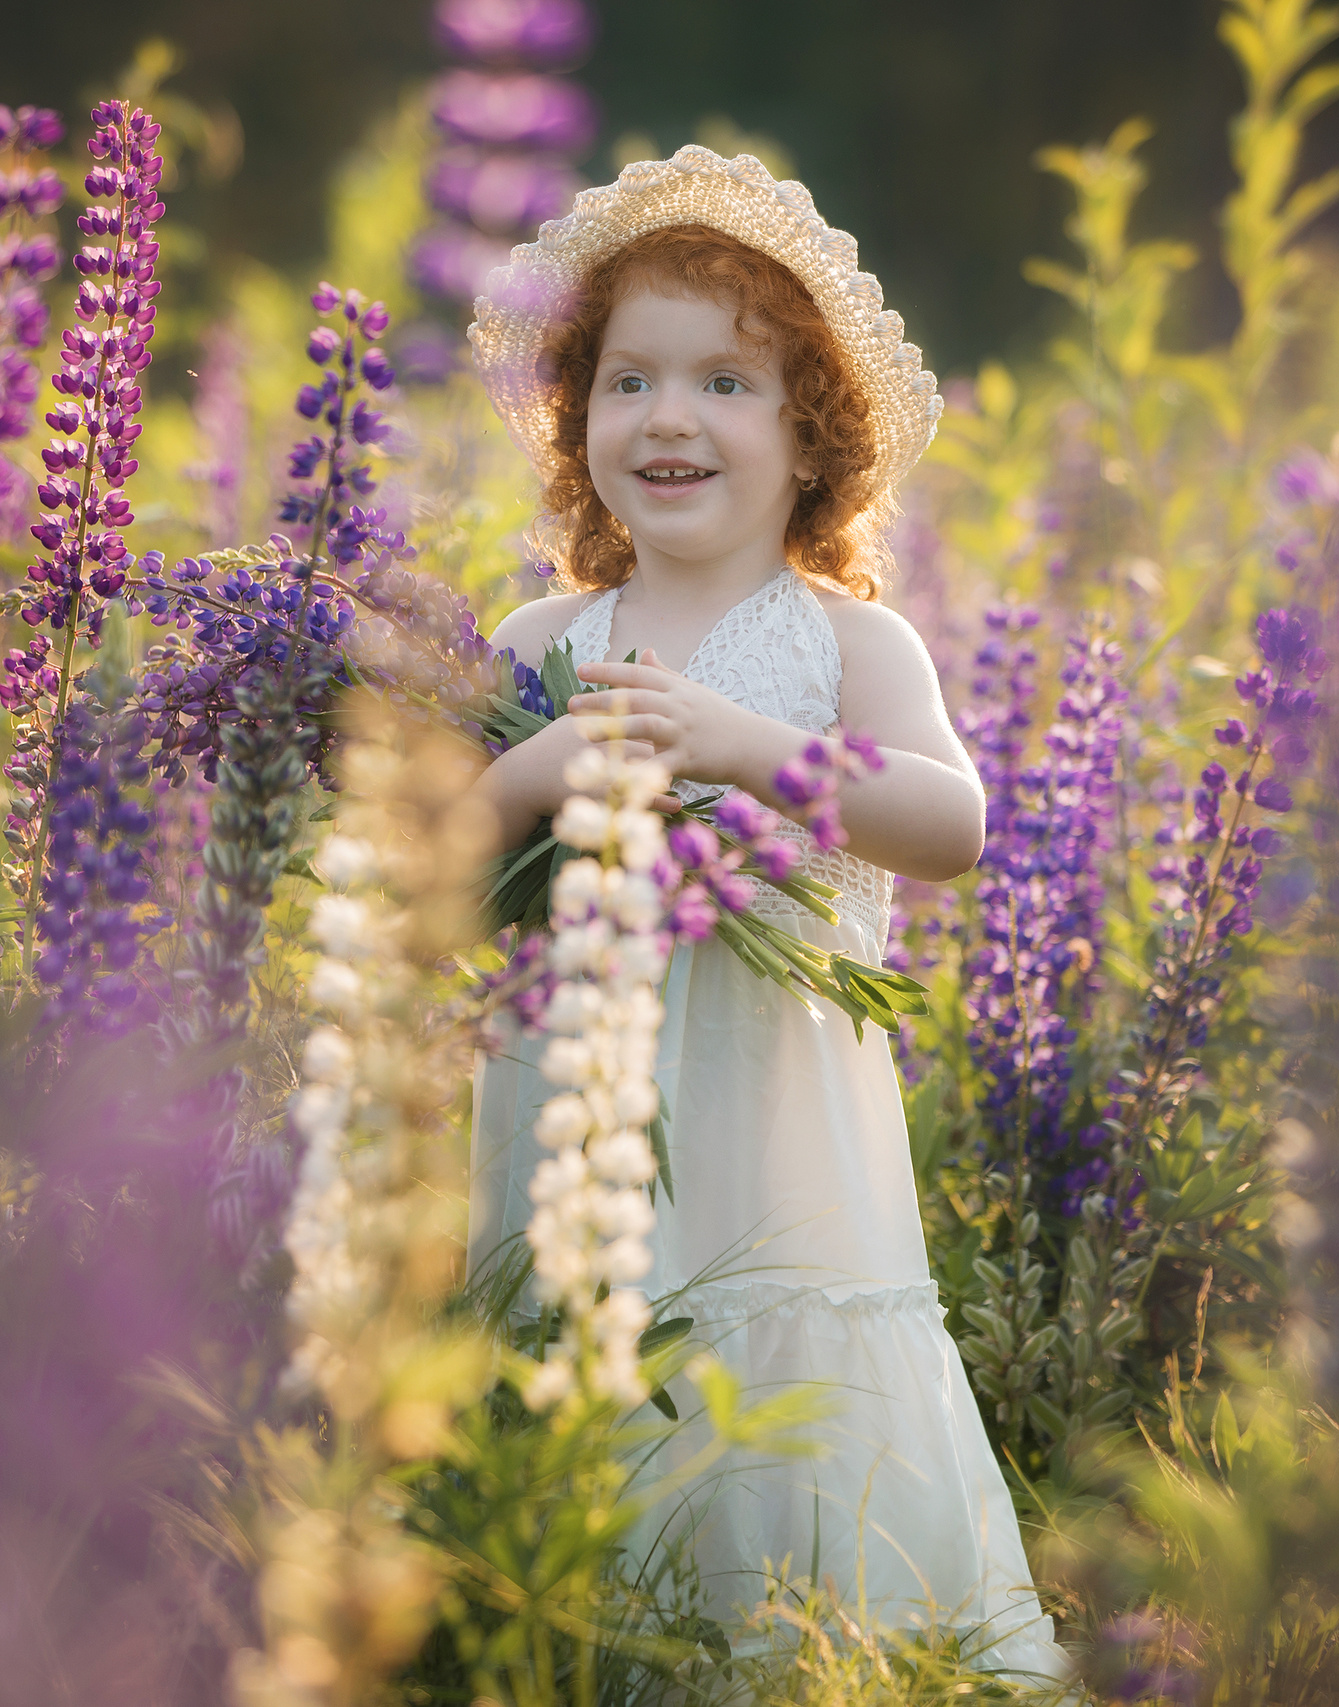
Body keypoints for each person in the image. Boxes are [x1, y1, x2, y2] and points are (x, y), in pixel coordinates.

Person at [459, 147, 1074, 1685]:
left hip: (782, 1172)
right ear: (576, 422)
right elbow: (429, 864)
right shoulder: (541, 641)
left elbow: (953, 825)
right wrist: (537, 763)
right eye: (627, 382)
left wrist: (749, 752)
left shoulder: (846, 646)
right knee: (574, 1439)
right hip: (567, 1153)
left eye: (726, 383)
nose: (668, 418)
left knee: (787, 1464)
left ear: (813, 442)